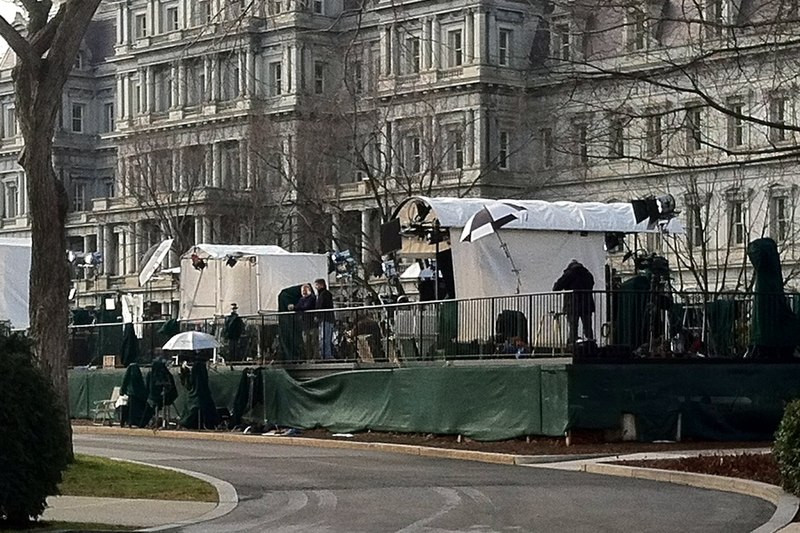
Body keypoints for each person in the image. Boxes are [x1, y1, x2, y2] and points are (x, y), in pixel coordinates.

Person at [553, 259, 595, 344]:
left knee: (573, 327)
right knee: (588, 327)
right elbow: (591, 284)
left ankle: (573, 345)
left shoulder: (569, 274)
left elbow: (557, 288)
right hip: (587, 304)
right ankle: (590, 344)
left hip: (572, 304)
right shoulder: (588, 274)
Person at [291, 283, 317, 361]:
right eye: (302, 291)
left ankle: (315, 358)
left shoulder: (312, 298)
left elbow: (306, 306)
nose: (303, 292)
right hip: (305, 324)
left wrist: (295, 307)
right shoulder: (301, 299)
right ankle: (308, 358)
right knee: (306, 343)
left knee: (313, 342)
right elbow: (300, 306)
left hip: (312, 324)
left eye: (305, 290)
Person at [314, 278, 335, 359]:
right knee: (325, 338)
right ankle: (327, 354)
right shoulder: (322, 294)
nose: (316, 287)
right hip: (326, 319)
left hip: (326, 319)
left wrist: (317, 315)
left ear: (321, 285)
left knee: (326, 337)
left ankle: (327, 355)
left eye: (317, 285)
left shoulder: (324, 294)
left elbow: (321, 306)